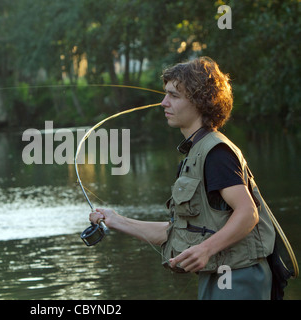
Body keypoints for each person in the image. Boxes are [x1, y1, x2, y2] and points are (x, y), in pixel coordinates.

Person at [89, 57, 276, 300]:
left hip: (238, 278)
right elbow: (177, 232)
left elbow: (247, 213)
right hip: (219, 275)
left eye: (174, 96)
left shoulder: (216, 154)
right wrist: (115, 220)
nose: (163, 103)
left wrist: (205, 249)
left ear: (200, 102)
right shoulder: (196, 152)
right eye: (165, 94)